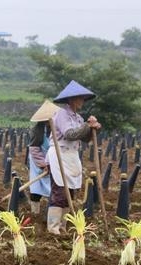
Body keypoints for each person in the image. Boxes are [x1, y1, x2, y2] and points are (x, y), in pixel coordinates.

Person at [46, 80, 102, 234]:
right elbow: (70, 134)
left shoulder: (77, 117)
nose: (82, 101)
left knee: (70, 192)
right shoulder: (62, 114)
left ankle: (63, 226)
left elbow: (84, 138)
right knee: (60, 191)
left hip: (71, 156)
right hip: (59, 154)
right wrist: (87, 126)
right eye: (80, 98)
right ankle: (53, 227)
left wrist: (93, 129)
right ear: (71, 99)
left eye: (83, 98)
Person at [27, 100, 60, 216]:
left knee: (54, 188)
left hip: (52, 161)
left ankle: (51, 212)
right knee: (36, 188)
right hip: (38, 162)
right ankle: (34, 213)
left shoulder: (56, 129)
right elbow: (34, 149)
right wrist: (43, 165)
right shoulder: (38, 131)